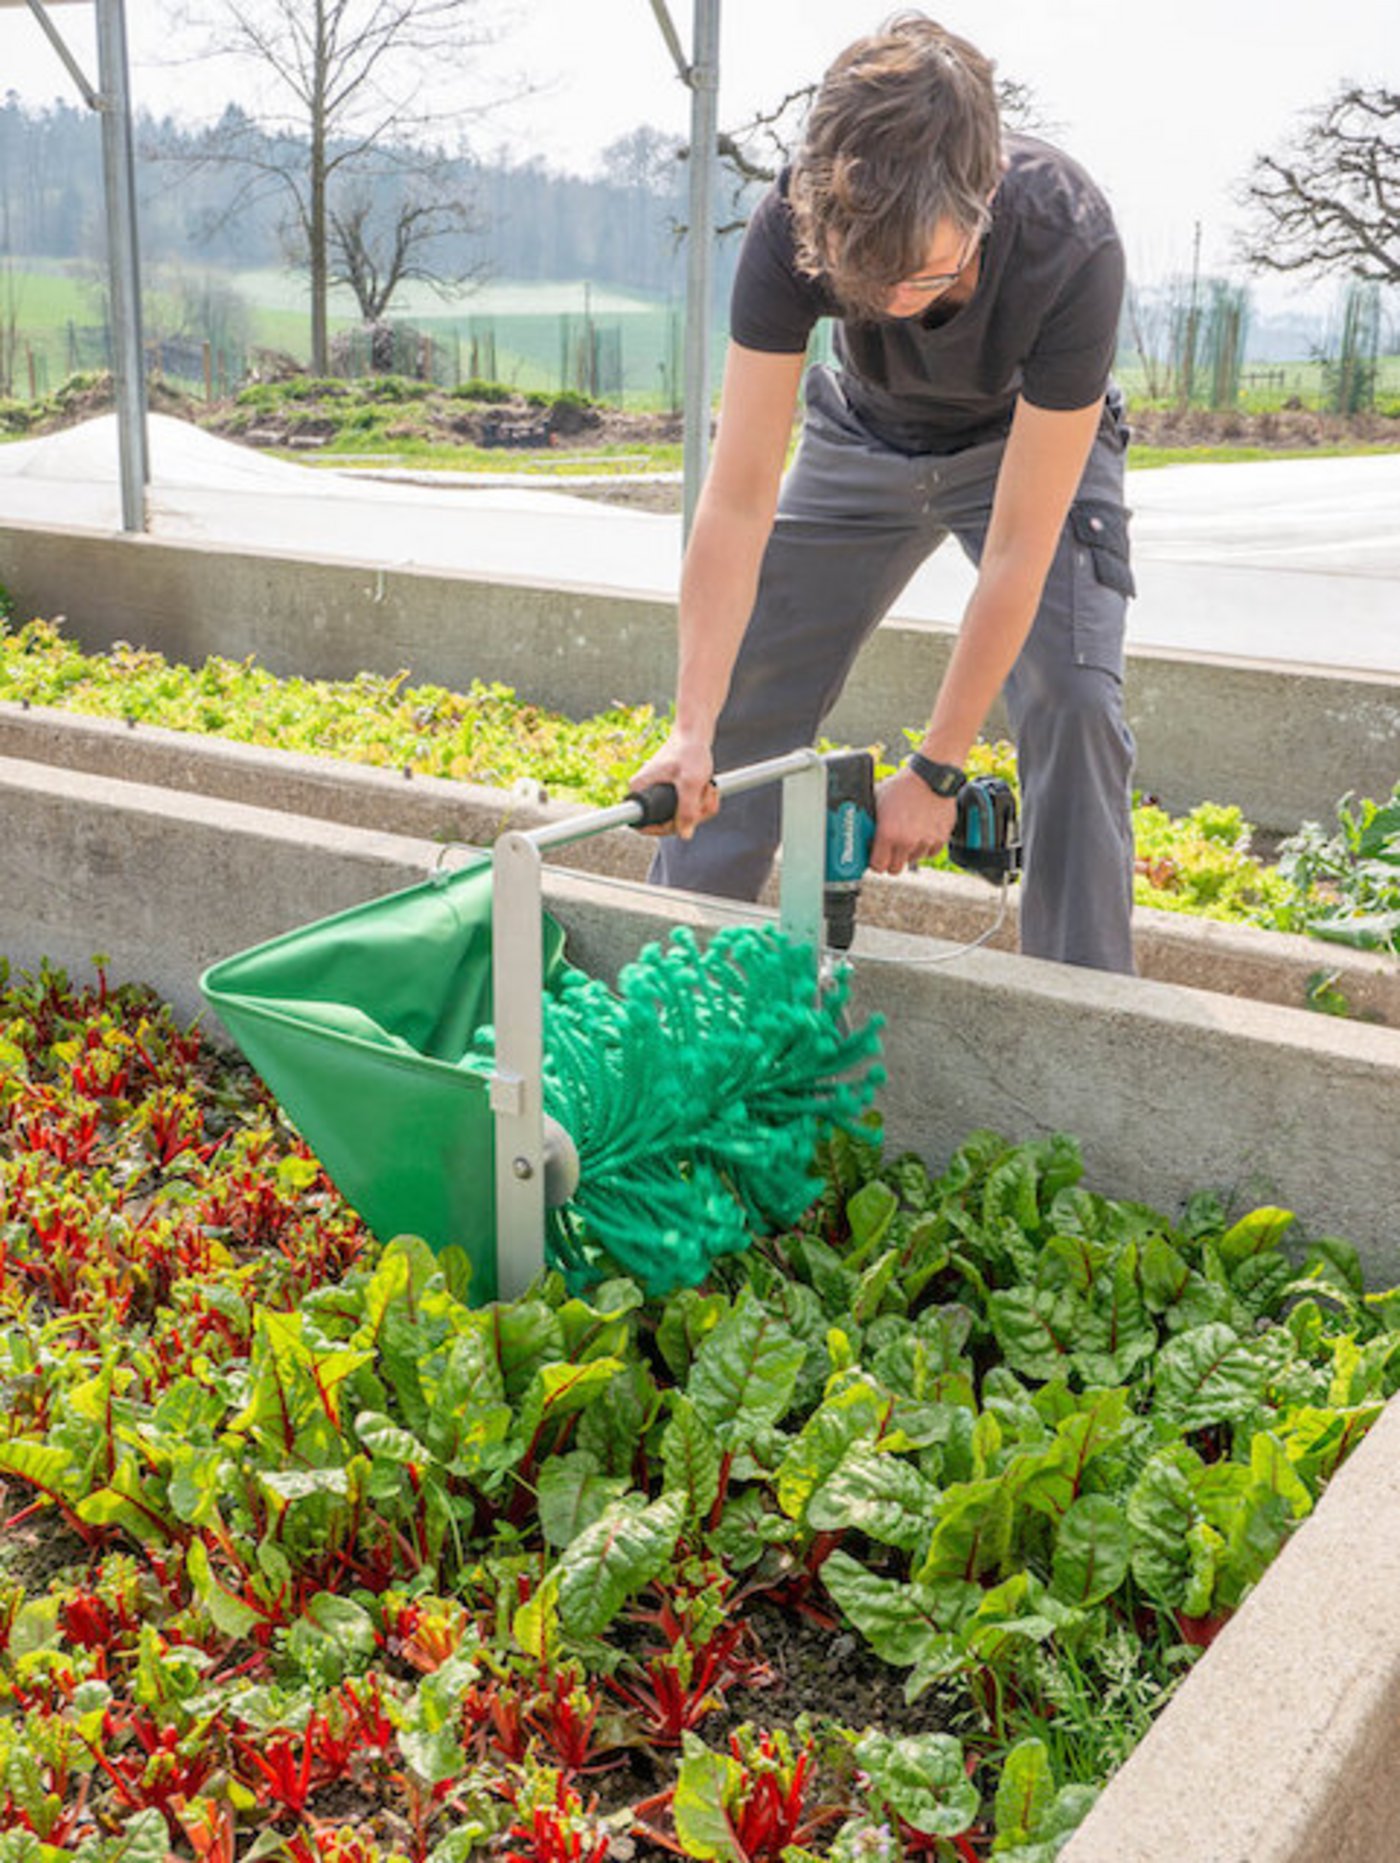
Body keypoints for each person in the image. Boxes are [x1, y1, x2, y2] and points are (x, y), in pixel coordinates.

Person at [631, 11, 1138, 973]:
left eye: (925, 277)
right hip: (863, 430)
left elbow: (1022, 552)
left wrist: (938, 767)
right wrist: (690, 728)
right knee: (746, 687)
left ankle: (1088, 1013)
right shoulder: (792, 224)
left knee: (1074, 700)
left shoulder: (1070, 244)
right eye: (870, 284)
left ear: (985, 192)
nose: (898, 303)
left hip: (1020, 443)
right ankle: (678, 987)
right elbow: (737, 500)